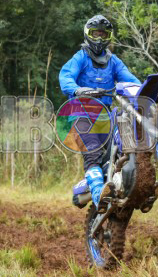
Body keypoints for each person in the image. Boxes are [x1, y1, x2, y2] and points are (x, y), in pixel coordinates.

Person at [59, 15, 141, 213]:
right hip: (80, 114)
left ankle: (129, 185)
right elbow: (65, 76)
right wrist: (77, 89)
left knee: (123, 146)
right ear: (88, 34)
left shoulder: (113, 61)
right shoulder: (80, 57)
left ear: (109, 36)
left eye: (103, 34)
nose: (99, 38)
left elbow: (131, 80)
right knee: (93, 154)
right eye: (95, 33)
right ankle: (98, 196)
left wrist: (143, 91)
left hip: (104, 115)